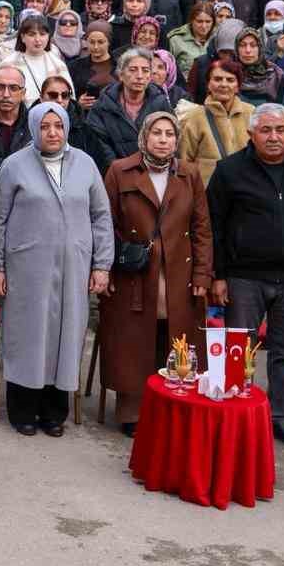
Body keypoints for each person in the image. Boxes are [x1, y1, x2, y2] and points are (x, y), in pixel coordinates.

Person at [0, 101, 114, 436]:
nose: (52, 132)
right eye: (45, 126)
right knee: (29, 336)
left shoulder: (85, 164)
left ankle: (54, 412)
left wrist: (102, 265)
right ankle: (23, 410)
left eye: (58, 126)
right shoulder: (13, 166)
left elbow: (101, 217)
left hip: (74, 267)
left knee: (67, 334)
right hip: (26, 266)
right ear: (34, 128)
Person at [99, 111, 212, 436]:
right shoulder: (120, 171)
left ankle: (174, 405)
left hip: (180, 271)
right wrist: (103, 268)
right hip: (134, 272)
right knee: (134, 341)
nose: (163, 140)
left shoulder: (189, 173)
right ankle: (132, 411)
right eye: (157, 133)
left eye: (170, 134)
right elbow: (103, 223)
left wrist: (203, 274)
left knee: (176, 336)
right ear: (144, 138)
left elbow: (202, 228)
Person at [206, 103, 284, 448]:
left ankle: (279, 418)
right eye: (266, 130)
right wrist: (219, 275)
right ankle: (231, 410)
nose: (273, 137)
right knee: (236, 348)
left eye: (280, 130)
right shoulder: (229, 171)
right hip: (244, 277)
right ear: (251, 134)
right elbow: (214, 225)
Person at [84, 48, 173, 174]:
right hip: (115, 174)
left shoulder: (161, 103)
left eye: (145, 70)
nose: (140, 76)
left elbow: (171, 138)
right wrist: (120, 170)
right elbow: (98, 143)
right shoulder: (103, 105)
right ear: (120, 74)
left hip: (154, 172)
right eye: (133, 70)